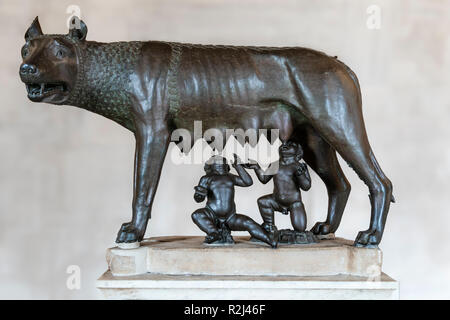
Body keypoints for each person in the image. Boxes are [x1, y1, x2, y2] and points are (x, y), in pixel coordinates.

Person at [192, 154, 277, 248]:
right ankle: (214, 232)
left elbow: (247, 182)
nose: (220, 164)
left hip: (230, 217)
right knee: (197, 215)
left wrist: (238, 167)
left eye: (223, 162)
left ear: (226, 166)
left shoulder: (230, 177)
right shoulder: (206, 178)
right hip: (212, 214)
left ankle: (269, 239)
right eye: (217, 162)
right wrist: (199, 195)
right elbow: (198, 198)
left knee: (248, 223)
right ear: (211, 165)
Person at [245, 141, 311, 236]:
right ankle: (269, 226)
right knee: (263, 201)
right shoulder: (275, 165)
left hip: (294, 203)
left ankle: (295, 231)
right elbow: (264, 179)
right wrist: (256, 167)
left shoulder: (299, 166)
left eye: (291, 144)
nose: (285, 145)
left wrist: (301, 175)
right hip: (276, 201)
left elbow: (306, 186)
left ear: (298, 152)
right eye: (283, 144)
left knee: (300, 229)